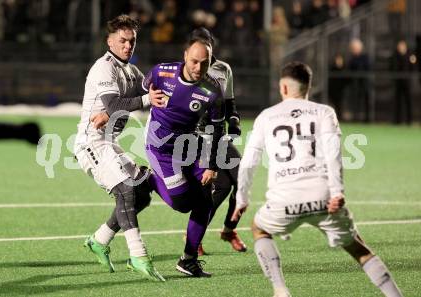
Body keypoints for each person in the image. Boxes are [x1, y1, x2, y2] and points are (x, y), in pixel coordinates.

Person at [232, 62, 403, 297]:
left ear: (283, 87)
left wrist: (242, 198)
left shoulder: (266, 116)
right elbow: (333, 154)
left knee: (259, 228)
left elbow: (249, 161)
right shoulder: (324, 112)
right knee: (358, 247)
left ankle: (280, 289)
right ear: (308, 87)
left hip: (283, 200)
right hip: (322, 197)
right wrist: (337, 192)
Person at [73, 14, 164, 282]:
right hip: (91, 143)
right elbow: (114, 105)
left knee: (143, 193)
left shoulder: (132, 72)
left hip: (109, 143)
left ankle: (99, 241)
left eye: (132, 41)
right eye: (122, 40)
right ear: (109, 41)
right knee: (126, 189)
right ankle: (138, 256)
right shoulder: (104, 67)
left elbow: (147, 95)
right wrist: (145, 99)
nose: (127, 45)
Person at [142, 34, 225, 277]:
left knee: (206, 202)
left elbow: (216, 129)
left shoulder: (212, 90)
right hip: (160, 151)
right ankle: (149, 179)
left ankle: (188, 259)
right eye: (194, 62)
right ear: (185, 57)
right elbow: (143, 88)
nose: (199, 68)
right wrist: (148, 98)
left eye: (205, 63)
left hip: (188, 146)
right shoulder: (161, 72)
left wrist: (211, 164)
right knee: (182, 204)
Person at [190, 27, 247, 255]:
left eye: (208, 42)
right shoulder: (190, 68)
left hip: (219, 137)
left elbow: (230, 102)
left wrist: (234, 121)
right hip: (199, 138)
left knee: (241, 182)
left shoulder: (224, 69)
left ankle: (228, 229)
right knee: (218, 187)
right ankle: (195, 237)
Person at [390, 39, 415, 124]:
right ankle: (397, 121)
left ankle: (409, 121)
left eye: (402, 45)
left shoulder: (410, 55)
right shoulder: (394, 55)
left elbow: (413, 67)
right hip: (398, 82)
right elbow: (391, 67)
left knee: (408, 101)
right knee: (398, 102)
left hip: (407, 82)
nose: (401, 47)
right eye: (400, 46)